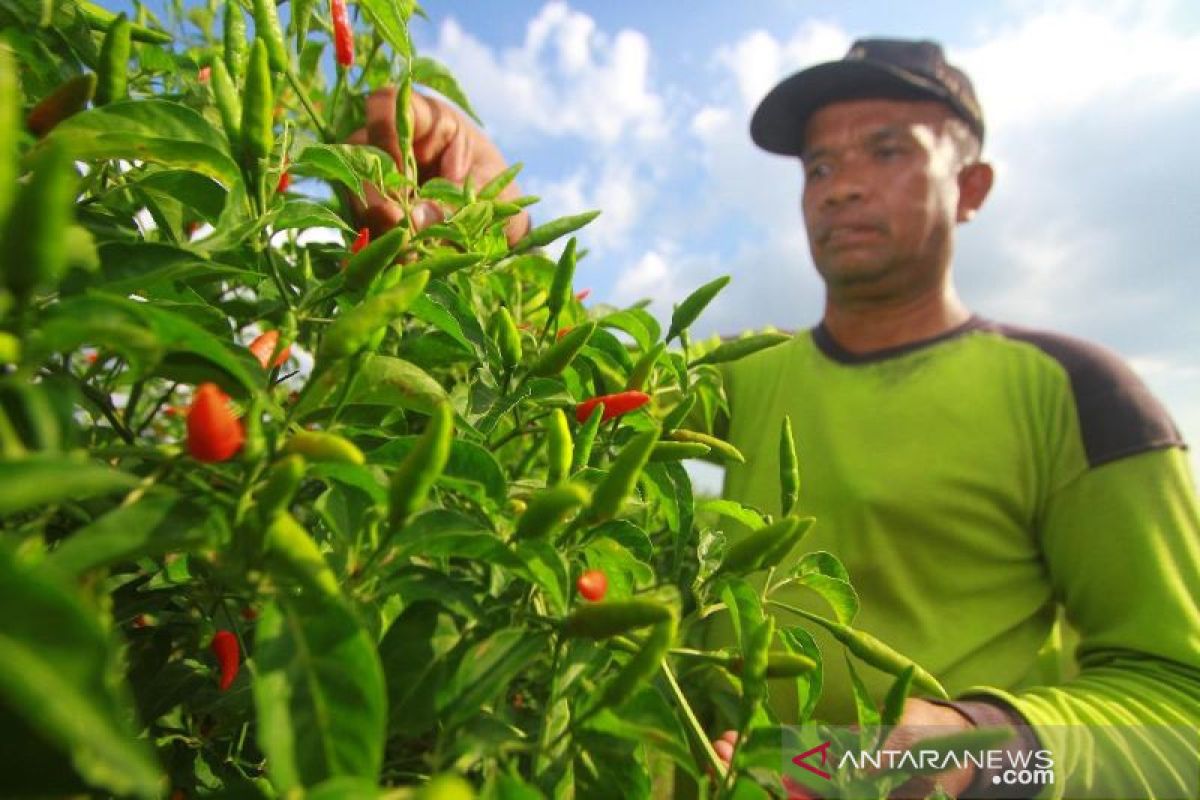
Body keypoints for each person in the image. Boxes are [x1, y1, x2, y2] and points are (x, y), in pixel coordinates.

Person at [355, 37, 1200, 799]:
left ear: (970, 186)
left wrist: (975, 750)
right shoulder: (743, 373)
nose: (843, 186)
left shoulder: (1079, 392)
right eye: (819, 167)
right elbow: (559, 376)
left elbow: (1180, 718)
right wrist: (505, 233)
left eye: (887, 150)